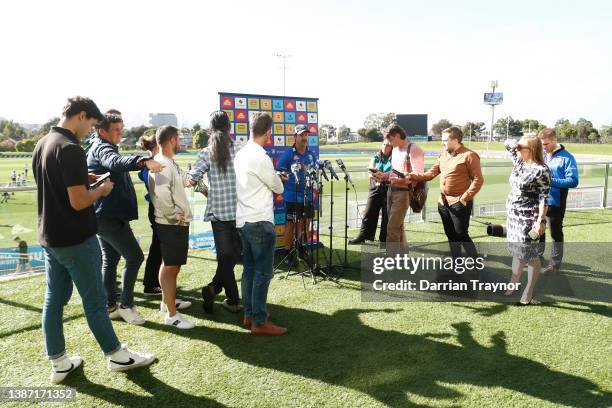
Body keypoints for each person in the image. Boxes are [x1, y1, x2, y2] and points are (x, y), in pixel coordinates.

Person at [32, 96, 155, 384]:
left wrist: (87, 176)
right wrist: (102, 189)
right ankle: (116, 355)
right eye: (90, 124)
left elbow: (54, 182)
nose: (90, 130)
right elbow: (77, 202)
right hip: (75, 238)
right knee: (96, 301)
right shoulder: (71, 148)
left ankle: (59, 363)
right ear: (81, 116)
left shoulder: (44, 143)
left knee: (54, 300)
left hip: (51, 238)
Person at [87, 111, 164, 325]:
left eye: (122, 129)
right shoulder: (103, 147)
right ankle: (126, 305)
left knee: (110, 260)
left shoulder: (102, 145)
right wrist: (143, 160)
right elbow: (115, 161)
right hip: (109, 216)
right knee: (135, 257)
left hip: (105, 215)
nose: (120, 134)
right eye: (116, 131)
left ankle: (110, 305)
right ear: (102, 132)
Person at [234, 112, 286, 336]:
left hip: (243, 220)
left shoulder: (241, 154)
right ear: (268, 132)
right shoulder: (261, 157)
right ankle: (259, 320)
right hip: (259, 220)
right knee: (263, 273)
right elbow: (278, 187)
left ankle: (249, 313)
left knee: (249, 270)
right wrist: (278, 179)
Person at [190, 111, 242, 314]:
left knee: (226, 257)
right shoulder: (240, 148)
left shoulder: (205, 152)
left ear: (210, 130)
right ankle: (233, 300)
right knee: (230, 257)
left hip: (219, 214)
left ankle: (214, 288)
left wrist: (208, 193)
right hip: (239, 212)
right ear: (229, 128)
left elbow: (193, 180)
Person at [407, 126, 484, 260]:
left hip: (459, 203)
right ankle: (456, 262)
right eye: (442, 140)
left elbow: (478, 180)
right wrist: (412, 176)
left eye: (445, 140)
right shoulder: (443, 154)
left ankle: (477, 264)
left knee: (461, 235)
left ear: (456, 140)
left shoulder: (469, 155)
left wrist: (465, 198)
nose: (442, 143)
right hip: (443, 203)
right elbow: (431, 174)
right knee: (451, 235)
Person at [149, 125, 195, 329]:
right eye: (179, 138)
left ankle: (167, 301)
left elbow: (182, 179)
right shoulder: (160, 164)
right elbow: (161, 197)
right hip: (170, 223)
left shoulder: (170, 162)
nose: (181, 142)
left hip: (174, 223)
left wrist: (191, 180)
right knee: (170, 267)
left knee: (170, 265)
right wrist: (175, 216)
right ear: (172, 140)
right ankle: (171, 314)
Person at [504, 135, 551, 305]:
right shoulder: (519, 162)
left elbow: (544, 198)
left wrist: (540, 221)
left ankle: (529, 289)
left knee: (530, 255)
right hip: (512, 216)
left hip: (527, 218)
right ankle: (514, 281)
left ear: (530, 149)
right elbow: (507, 143)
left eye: (520, 148)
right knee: (516, 251)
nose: (516, 150)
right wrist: (517, 144)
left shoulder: (541, 170)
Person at [374, 124, 424, 253]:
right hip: (392, 190)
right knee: (398, 226)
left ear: (397, 135)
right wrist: (383, 176)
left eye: (390, 140)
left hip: (405, 192)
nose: (389, 144)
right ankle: (402, 254)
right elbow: (394, 172)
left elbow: (418, 175)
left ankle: (391, 257)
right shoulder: (395, 150)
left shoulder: (414, 149)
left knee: (392, 226)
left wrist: (401, 180)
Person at [538, 128, 579, 274]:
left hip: (556, 203)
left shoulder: (567, 158)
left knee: (555, 233)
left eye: (546, 144)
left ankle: (554, 265)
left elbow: (573, 181)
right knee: (538, 230)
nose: (543, 147)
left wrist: (550, 181)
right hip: (538, 201)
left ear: (554, 140)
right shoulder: (541, 154)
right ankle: (537, 257)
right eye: (541, 144)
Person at [276, 124, 317, 266]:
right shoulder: (288, 155)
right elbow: (278, 173)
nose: (304, 137)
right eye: (301, 135)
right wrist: (284, 178)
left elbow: (314, 173)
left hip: (308, 196)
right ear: (295, 137)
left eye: (306, 135)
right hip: (292, 196)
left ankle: (302, 249)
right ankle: (288, 252)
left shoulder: (311, 155)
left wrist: (314, 186)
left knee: (306, 223)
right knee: (290, 225)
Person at [349, 140, 392, 244]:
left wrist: (384, 176)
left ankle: (384, 239)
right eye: (384, 144)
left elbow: (394, 172)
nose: (385, 147)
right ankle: (363, 236)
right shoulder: (376, 157)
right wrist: (374, 176)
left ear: (392, 148)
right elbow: (370, 171)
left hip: (389, 187)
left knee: (387, 215)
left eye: (388, 145)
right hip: (375, 185)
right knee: (368, 212)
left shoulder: (395, 158)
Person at [138, 133, 163, 296]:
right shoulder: (153, 165)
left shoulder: (153, 163)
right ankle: (151, 284)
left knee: (158, 246)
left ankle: (153, 282)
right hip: (158, 209)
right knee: (158, 247)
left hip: (156, 208)